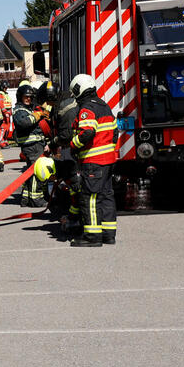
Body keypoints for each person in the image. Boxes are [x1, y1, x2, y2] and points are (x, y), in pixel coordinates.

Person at [68, 74, 119, 247]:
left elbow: (87, 132)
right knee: (107, 196)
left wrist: (74, 145)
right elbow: (114, 133)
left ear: (78, 90)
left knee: (89, 197)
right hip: (108, 160)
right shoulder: (105, 106)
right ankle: (108, 234)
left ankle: (92, 236)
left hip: (93, 161)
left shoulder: (87, 109)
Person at [48, 88, 82, 234]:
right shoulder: (65, 105)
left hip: (75, 153)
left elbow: (65, 135)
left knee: (77, 188)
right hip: (77, 153)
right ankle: (76, 217)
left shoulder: (64, 108)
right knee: (76, 189)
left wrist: (52, 144)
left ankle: (79, 222)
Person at [12, 82, 48, 207]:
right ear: (20, 97)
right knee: (37, 172)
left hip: (35, 145)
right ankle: (36, 199)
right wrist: (37, 115)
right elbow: (24, 123)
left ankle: (26, 198)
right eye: (25, 97)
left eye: (30, 97)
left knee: (29, 172)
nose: (28, 99)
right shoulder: (19, 110)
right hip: (31, 146)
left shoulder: (29, 108)